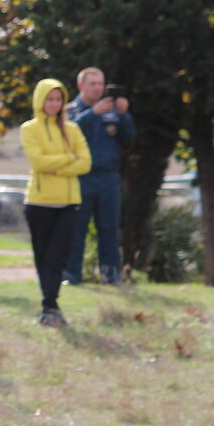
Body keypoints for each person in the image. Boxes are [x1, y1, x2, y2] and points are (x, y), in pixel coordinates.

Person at [21, 78, 91, 327]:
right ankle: (49, 304)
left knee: (57, 257)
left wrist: (56, 166)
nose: (54, 104)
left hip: (68, 203)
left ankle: (50, 303)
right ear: (40, 101)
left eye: (58, 99)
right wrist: (68, 159)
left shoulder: (72, 129)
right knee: (43, 257)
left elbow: (85, 163)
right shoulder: (29, 129)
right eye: (49, 99)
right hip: (39, 203)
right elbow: (38, 162)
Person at [65, 67, 135, 285]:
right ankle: (72, 274)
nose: (97, 88)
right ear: (81, 85)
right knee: (76, 228)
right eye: (92, 84)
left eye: (100, 84)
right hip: (81, 177)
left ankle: (110, 273)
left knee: (109, 227)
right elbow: (68, 131)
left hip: (107, 177)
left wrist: (124, 115)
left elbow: (129, 136)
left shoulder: (111, 111)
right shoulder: (71, 109)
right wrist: (92, 113)